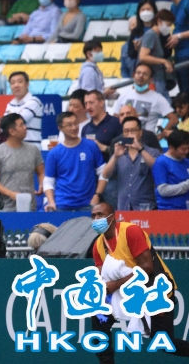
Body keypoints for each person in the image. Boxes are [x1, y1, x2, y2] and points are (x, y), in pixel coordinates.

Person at [89, 202, 189, 361]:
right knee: (99, 316)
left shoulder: (131, 232)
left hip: (155, 290)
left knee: (164, 342)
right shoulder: (98, 245)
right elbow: (104, 279)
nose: (96, 219)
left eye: (100, 215)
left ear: (112, 217)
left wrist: (115, 285)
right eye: (93, 216)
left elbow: (147, 268)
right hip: (127, 293)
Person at [44, 112, 106, 212]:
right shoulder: (54, 153)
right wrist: (51, 202)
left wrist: (97, 195)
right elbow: (48, 181)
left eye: (76, 123)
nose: (74, 127)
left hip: (88, 204)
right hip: (62, 205)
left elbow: (103, 172)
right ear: (60, 128)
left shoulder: (91, 146)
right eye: (69, 125)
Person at [0, 113, 44, 211]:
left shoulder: (33, 150)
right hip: (5, 208)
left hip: (29, 207)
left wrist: (42, 183)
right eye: (21, 125)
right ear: (12, 131)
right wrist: (11, 194)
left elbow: (41, 171)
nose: (25, 128)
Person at [98, 116, 159, 211]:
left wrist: (140, 149)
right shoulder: (119, 153)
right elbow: (105, 175)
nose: (130, 134)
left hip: (146, 207)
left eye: (133, 130)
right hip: (124, 207)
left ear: (140, 132)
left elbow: (157, 168)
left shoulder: (152, 152)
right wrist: (115, 156)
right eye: (126, 131)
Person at [112, 63, 177, 135]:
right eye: (138, 73)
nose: (141, 76)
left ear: (151, 79)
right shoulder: (124, 96)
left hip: (147, 140)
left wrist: (159, 137)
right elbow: (115, 118)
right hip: (125, 138)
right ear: (134, 75)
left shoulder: (158, 98)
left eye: (145, 74)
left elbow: (174, 119)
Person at [139, 8, 175, 100]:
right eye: (168, 25)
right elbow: (143, 56)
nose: (169, 28)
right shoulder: (151, 35)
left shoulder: (157, 36)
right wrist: (163, 61)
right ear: (159, 21)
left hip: (159, 79)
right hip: (154, 80)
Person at [152, 129, 189, 211]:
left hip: (185, 209)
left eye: (188, 148)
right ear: (171, 148)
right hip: (169, 210)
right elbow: (163, 190)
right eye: (183, 149)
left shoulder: (186, 162)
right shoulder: (161, 163)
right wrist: (187, 185)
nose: (186, 151)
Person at [164, 0, 189, 92]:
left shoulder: (187, 4)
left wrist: (179, 36)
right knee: (183, 92)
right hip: (179, 55)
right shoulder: (173, 7)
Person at [4, 71, 43, 143]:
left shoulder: (34, 101)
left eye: (20, 82)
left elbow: (17, 122)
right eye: (12, 83)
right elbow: (4, 125)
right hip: (15, 146)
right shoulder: (10, 104)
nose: (16, 85)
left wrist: (7, 121)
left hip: (32, 146)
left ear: (27, 84)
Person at [125, 0, 159, 78]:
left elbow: (167, 51)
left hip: (158, 71)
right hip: (141, 72)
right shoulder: (135, 31)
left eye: (148, 9)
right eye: (142, 10)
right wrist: (136, 49)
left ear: (154, 11)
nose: (145, 12)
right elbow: (131, 54)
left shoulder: (159, 29)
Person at [83, 90, 123, 154]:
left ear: (101, 103)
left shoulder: (116, 123)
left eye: (91, 103)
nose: (88, 107)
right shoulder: (85, 128)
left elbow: (124, 150)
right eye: (86, 103)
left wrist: (104, 148)